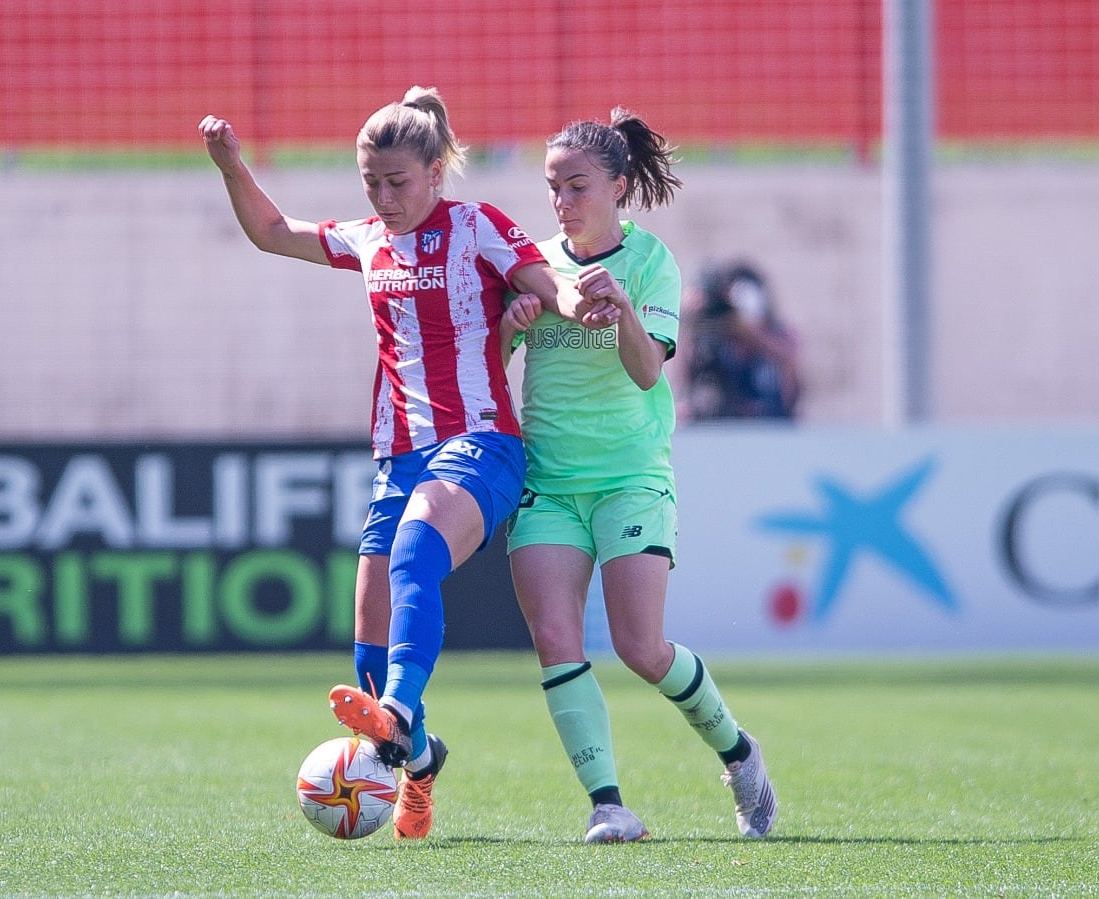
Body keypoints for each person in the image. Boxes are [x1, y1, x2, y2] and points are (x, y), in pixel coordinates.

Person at [198, 87, 616, 840]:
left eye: (398, 182)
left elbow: (540, 279)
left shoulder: (477, 226)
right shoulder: (367, 241)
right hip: (399, 456)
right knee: (368, 634)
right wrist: (231, 164)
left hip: (484, 441)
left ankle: (393, 712)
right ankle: (417, 757)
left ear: (434, 171)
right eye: (372, 184)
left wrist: (573, 300)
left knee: (416, 551)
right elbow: (269, 230)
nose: (385, 198)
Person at [501, 110, 778, 843]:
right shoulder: (530, 260)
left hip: (630, 478)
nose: (562, 200)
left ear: (619, 186)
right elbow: (487, 374)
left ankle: (739, 752)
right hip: (549, 483)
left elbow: (647, 367)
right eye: (553, 186)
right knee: (557, 637)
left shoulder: (651, 262)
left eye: (577, 185)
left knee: (641, 647)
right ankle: (609, 805)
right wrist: (508, 326)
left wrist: (622, 307)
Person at [681, 261, 802, 421]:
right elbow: (686, 383)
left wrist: (753, 334)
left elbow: (792, 375)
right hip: (723, 427)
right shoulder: (716, 340)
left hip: (771, 426)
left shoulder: (779, 334)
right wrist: (692, 327)